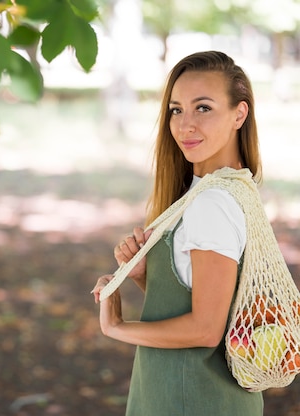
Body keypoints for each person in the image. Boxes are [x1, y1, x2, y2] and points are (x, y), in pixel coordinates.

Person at [91, 51, 265, 415]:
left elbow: (206, 330)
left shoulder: (211, 203)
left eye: (203, 108)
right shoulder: (226, 189)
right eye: (176, 109)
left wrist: (118, 327)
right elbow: (210, 301)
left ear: (239, 114)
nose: (185, 125)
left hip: (190, 401)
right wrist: (147, 278)